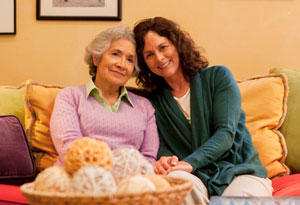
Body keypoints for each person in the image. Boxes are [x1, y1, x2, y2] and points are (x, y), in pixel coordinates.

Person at [133, 17, 273, 204]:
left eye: (163, 47)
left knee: (237, 201)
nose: (159, 58)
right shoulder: (152, 102)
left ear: (177, 44)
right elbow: (162, 147)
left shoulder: (218, 77)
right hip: (193, 176)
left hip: (239, 171)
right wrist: (167, 162)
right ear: (144, 63)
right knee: (175, 189)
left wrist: (189, 163)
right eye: (149, 54)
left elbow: (225, 133)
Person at [50, 26, 159, 167]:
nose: (122, 65)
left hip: (130, 183)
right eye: (115, 54)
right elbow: (70, 150)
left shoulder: (144, 106)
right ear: (96, 58)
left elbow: (149, 159)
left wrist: (124, 181)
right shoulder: (70, 97)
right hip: (78, 179)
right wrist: (107, 177)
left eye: (130, 60)